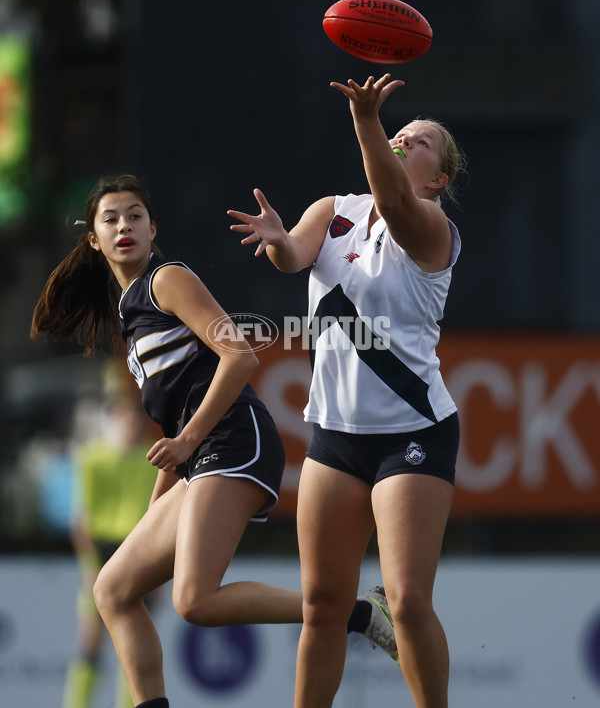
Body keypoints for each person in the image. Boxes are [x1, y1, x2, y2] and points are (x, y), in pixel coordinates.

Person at [30, 173, 396, 708]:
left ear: (154, 229)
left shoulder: (166, 279)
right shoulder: (129, 311)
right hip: (200, 455)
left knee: (194, 601)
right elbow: (175, 423)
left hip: (233, 441)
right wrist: (160, 507)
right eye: (110, 219)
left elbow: (240, 356)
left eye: (134, 215)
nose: (123, 226)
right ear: (94, 239)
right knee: (111, 590)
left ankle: (361, 613)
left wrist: (186, 445)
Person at [228, 73, 465, 708]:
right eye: (400, 133)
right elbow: (294, 258)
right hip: (336, 436)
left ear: (437, 178)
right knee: (323, 604)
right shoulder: (332, 210)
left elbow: (392, 204)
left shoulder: (432, 226)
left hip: (412, 432)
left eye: (418, 142)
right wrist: (279, 243)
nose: (402, 140)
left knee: (409, 602)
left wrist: (366, 121)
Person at [63, 391, 158, 708]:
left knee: (132, 642)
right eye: (125, 417)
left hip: (138, 555)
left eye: (136, 418)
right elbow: (82, 520)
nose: (131, 424)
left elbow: (157, 516)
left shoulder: (154, 459)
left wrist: (158, 571)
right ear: (114, 419)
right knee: (92, 638)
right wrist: (91, 566)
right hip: (103, 552)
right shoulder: (92, 459)